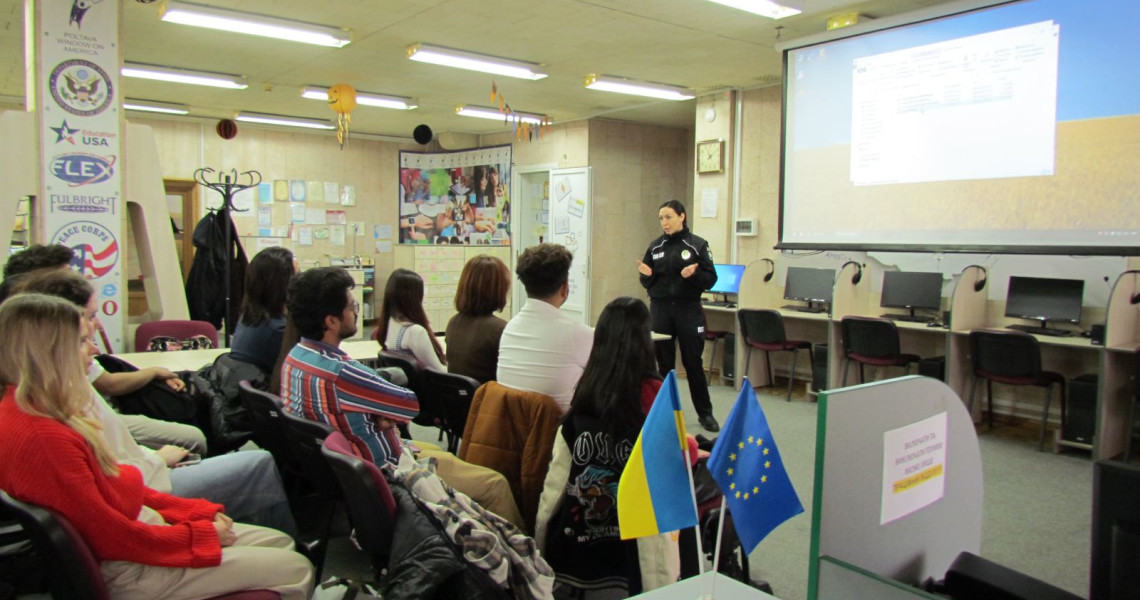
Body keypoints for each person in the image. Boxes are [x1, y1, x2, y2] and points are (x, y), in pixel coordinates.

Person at [0, 294, 313, 600]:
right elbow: (112, 536)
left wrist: (198, 514)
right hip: (133, 567)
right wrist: (198, 534)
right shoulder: (45, 436)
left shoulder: (32, 411)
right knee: (296, 567)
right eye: (82, 342)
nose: (94, 350)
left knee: (278, 543)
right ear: (49, 353)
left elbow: (123, 493)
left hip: (137, 542)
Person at [8, 269, 297, 536]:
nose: (96, 336)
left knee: (197, 439)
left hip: (139, 481)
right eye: (91, 317)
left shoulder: (42, 396)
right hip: (142, 489)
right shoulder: (56, 412)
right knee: (255, 468)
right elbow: (113, 503)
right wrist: (158, 462)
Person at [281, 267, 524, 528]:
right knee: (495, 484)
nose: (356, 312)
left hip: (353, 471)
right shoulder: (343, 373)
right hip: (388, 470)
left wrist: (373, 413)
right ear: (330, 321)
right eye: (352, 307)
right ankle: (517, 560)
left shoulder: (295, 357)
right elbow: (409, 405)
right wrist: (379, 413)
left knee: (449, 458)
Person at [535, 297, 688, 594]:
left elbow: (557, 478)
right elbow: (675, 456)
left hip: (577, 545)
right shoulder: (656, 392)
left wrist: (540, 537)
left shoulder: (586, 389)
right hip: (639, 540)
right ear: (645, 340)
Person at [3, 252, 207, 453]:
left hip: (126, 454)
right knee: (196, 439)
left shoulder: (37, 390)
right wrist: (158, 462)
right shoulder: (46, 423)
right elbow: (113, 474)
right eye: (90, 317)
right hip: (134, 465)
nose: (94, 347)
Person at [638, 199, 720, 432]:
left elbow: (711, 279)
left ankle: (705, 414)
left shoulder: (697, 245)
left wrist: (692, 275)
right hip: (661, 310)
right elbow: (647, 280)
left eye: (669, 217)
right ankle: (664, 413)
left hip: (688, 309)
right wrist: (646, 275)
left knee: (693, 362)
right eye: (661, 219)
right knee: (663, 364)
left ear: (682, 216)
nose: (664, 223)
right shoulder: (655, 247)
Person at [497, 243, 593, 412]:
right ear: (565, 288)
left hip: (513, 430)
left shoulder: (510, 328)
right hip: (556, 432)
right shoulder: (577, 333)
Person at [445, 255, 511, 384]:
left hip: (459, 401)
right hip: (487, 401)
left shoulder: (453, 322)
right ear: (498, 288)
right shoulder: (500, 329)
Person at [231, 246, 295, 372]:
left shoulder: (248, 318)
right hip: (268, 389)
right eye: (296, 276)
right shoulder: (278, 331)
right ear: (284, 284)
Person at [376, 268, 446, 372]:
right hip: (427, 386)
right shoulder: (415, 332)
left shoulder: (391, 322)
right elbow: (440, 371)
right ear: (414, 297)